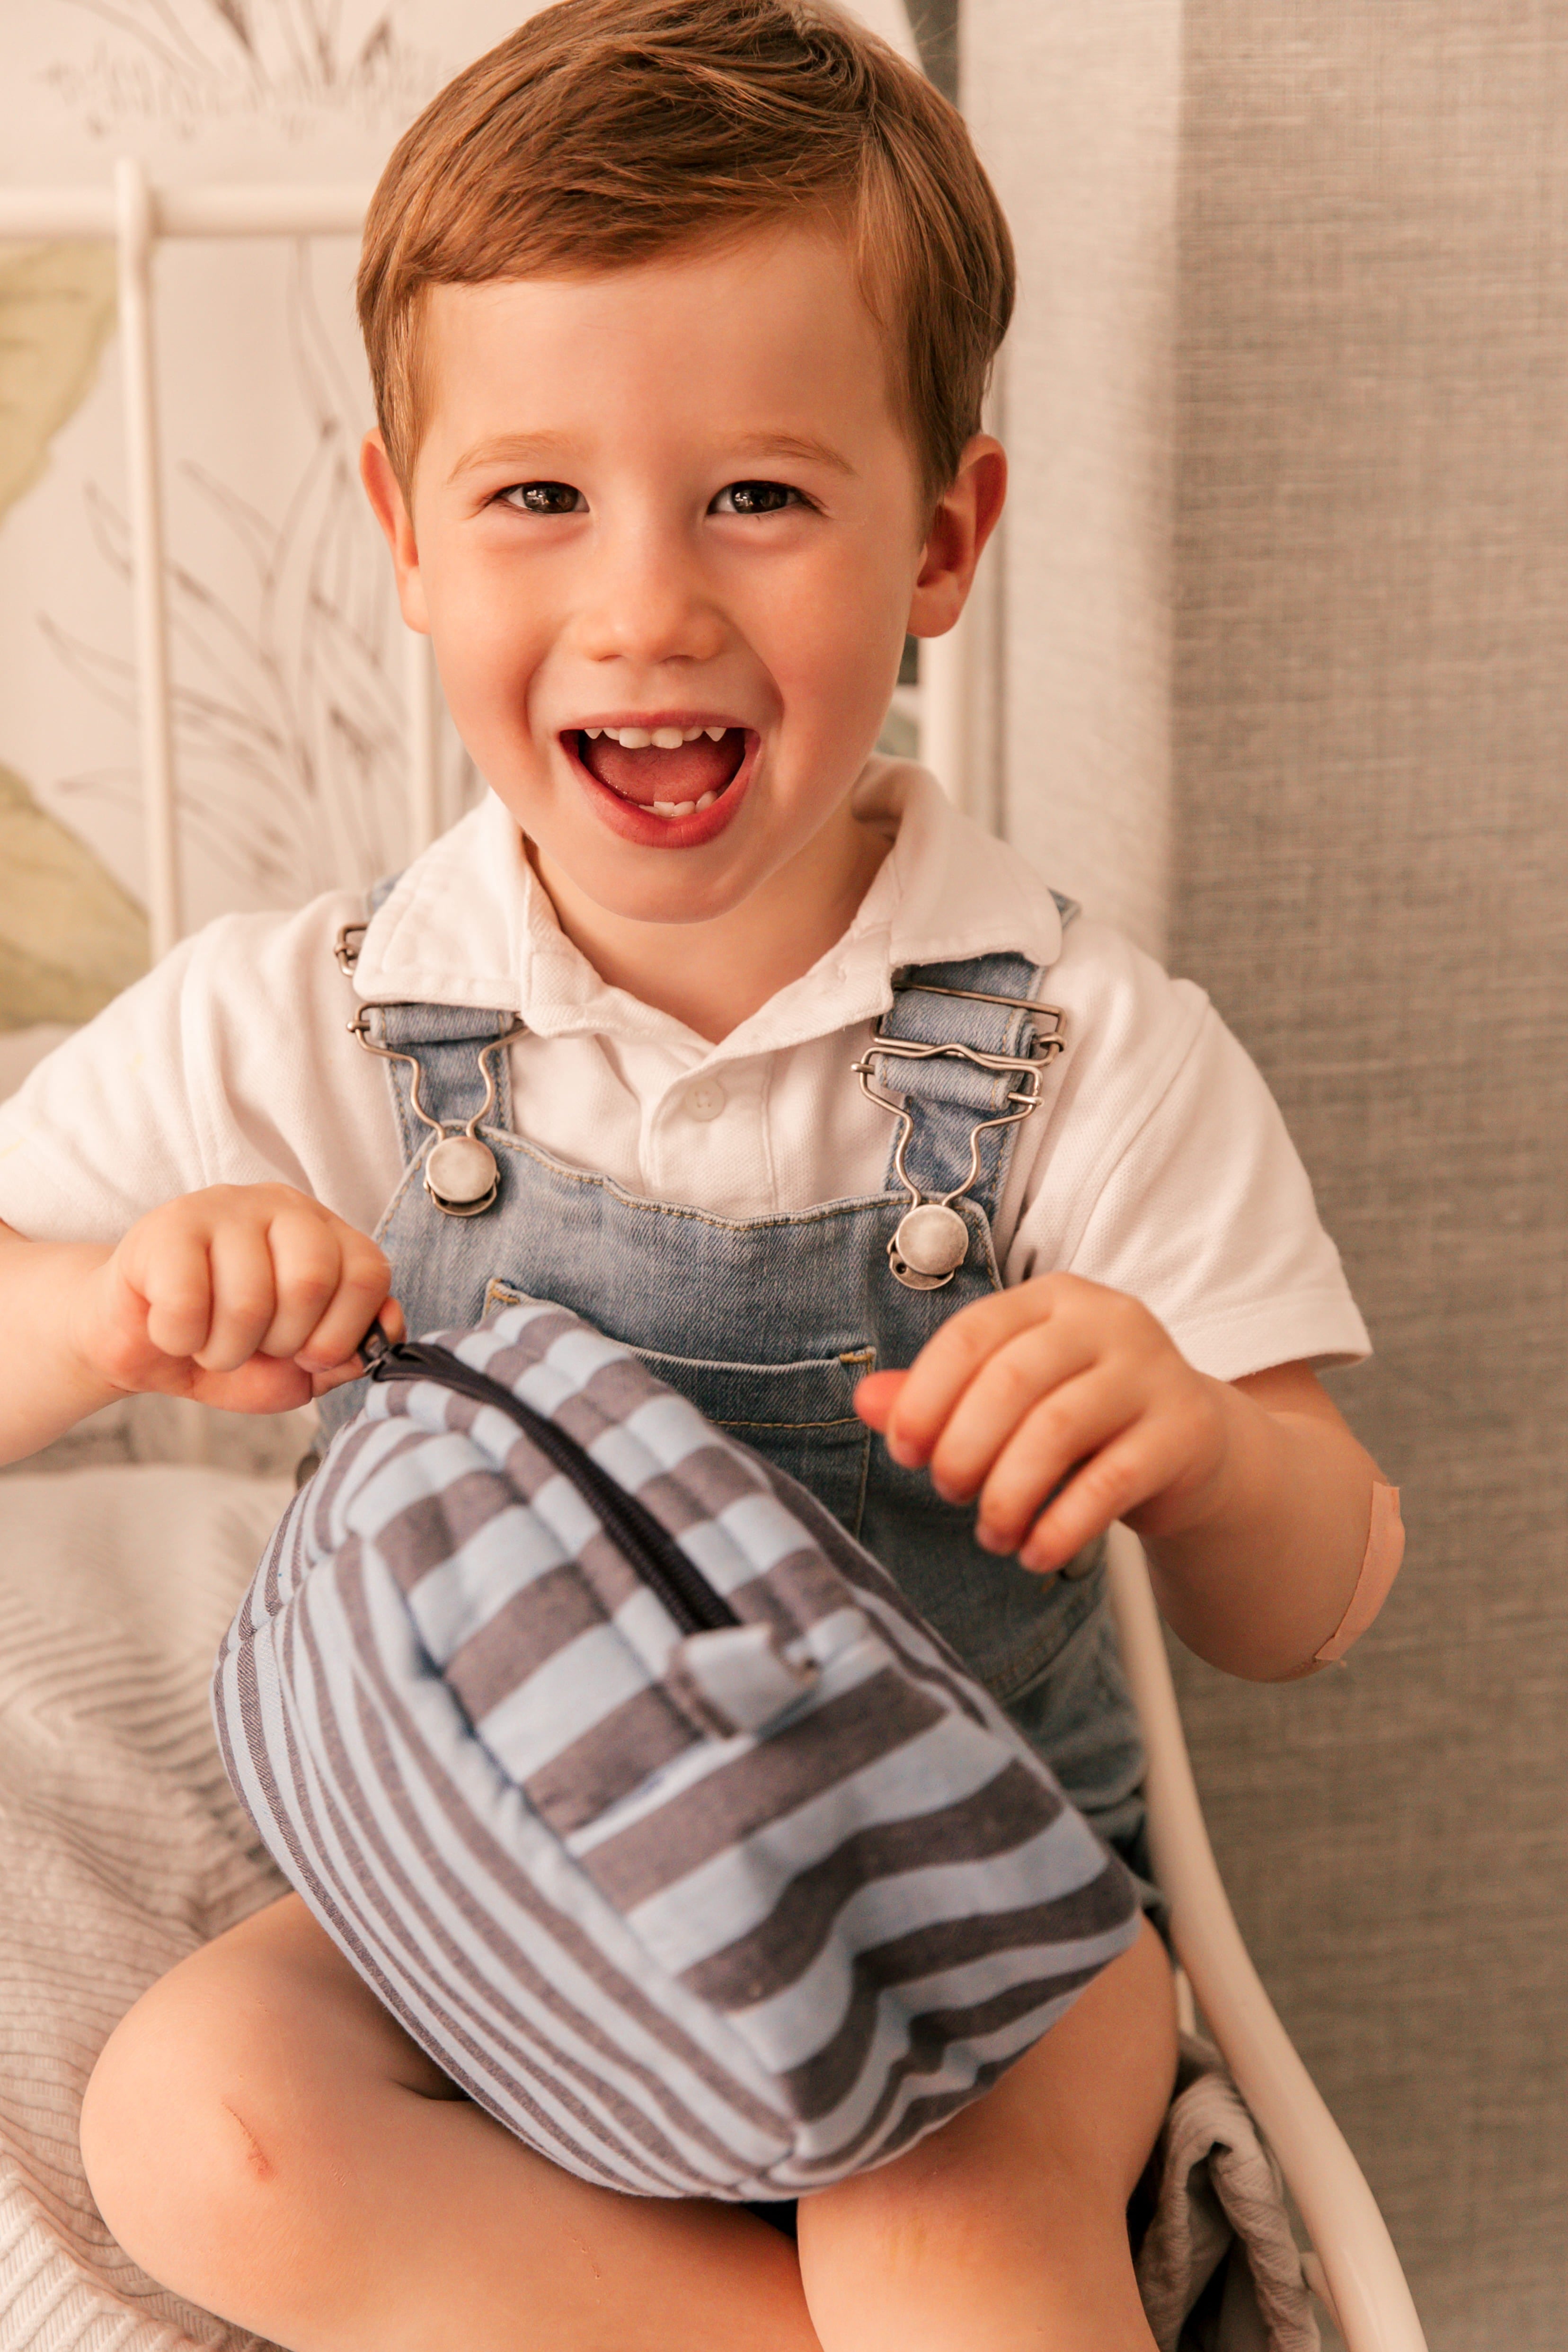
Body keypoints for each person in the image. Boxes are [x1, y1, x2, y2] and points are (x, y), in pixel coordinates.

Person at [0, 2, 1400, 2345]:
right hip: (493, 1888)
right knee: (199, 2115)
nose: (646, 601)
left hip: (961, 1925)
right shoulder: (317, 1016)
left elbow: (1320, 1588)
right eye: (539, 498)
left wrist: (1194, 1437)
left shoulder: (1070, 1051)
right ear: (405, 542)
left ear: (942, 532)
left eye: (756, 493)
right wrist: (111, 1302)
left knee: (928, 2228)